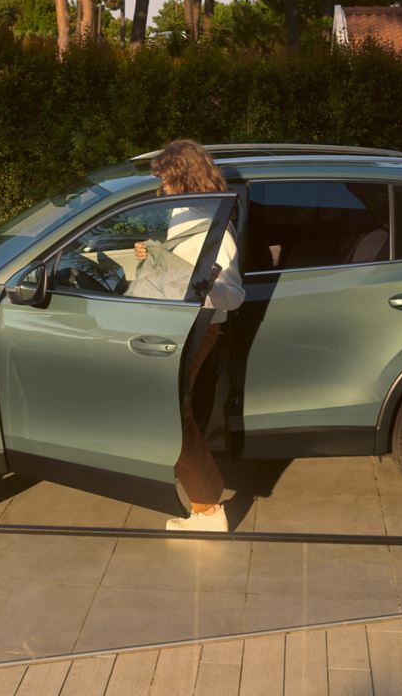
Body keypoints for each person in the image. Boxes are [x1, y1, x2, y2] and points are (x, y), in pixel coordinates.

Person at [135, 140, 245, 532]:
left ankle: (208, 510)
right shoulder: (183, 213)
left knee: (170, 414)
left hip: (199, 329)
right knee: (172, 412)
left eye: (165, 179)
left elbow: (234, 295)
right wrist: (157, 258)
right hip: (176, 325)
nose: (160, 188)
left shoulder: (214, 224)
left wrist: (199, 283)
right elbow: (181, 268)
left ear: (181, 177)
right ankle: (205, 505)